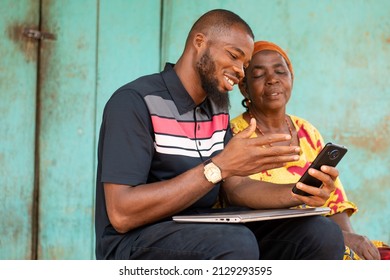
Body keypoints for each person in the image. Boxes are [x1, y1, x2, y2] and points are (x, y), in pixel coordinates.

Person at [95, 9, 345, 260]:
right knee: (234, 242)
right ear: (199, 42)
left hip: (201, 229)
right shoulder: (135, 102)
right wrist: (218, 167)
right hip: (133, 242)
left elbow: (235, 187)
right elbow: (122, 214)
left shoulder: (215, 110)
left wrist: (297, 192)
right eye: (233, 56)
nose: (239, 71)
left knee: (320, 234)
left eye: (245, 65)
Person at [230, 40, 382, 260]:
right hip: (267, 241)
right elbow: (237, 196)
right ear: (244, 87)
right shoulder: (236, 133)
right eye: (258, 75)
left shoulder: (307, 131)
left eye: (280, 72)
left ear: (291, 78)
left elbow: (335, 203)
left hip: (322, 237)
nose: (272, 79)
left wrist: (350, 241)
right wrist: (340, 238)